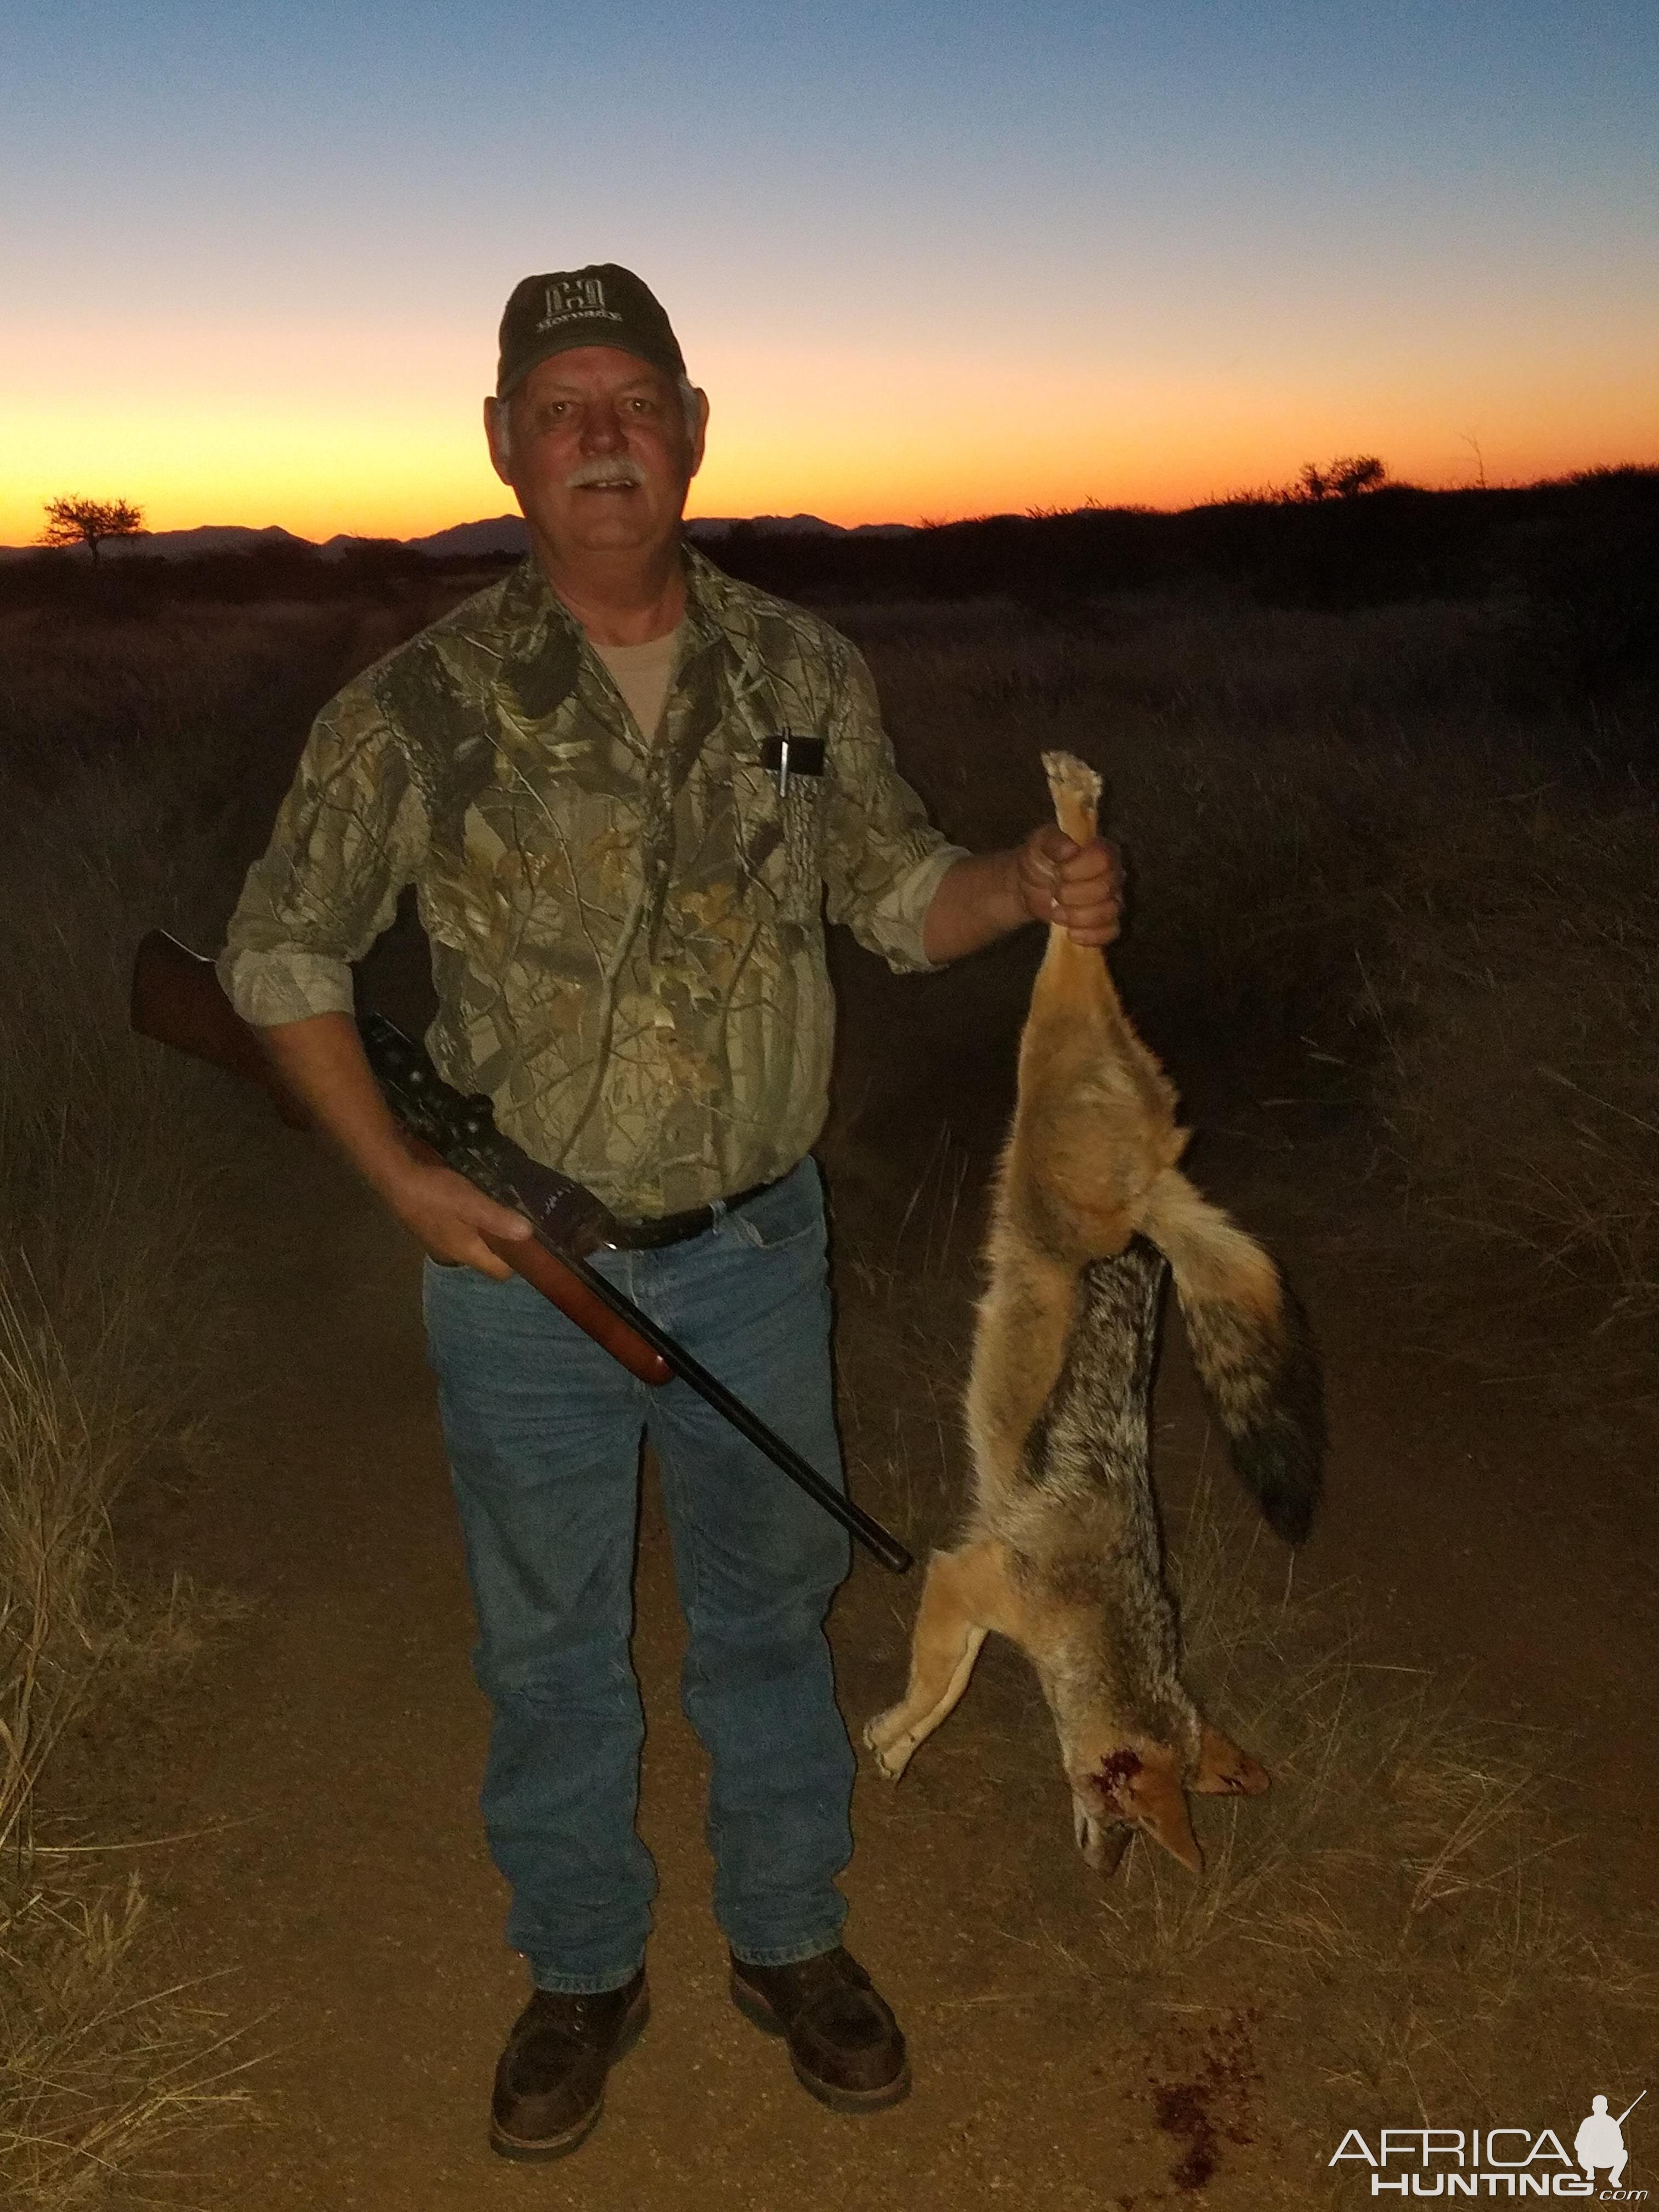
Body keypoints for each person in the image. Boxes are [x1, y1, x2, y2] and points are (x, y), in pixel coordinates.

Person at [219, 263, 1120, 2162]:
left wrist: (1020, 886)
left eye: (636, 399)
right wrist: (403, 1183)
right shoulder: (418, 703)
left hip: (758, 1252)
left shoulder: (799, 670)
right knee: (548, 1644)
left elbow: (892, 895)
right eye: (562, 407)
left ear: (694, 431)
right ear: (504, 449)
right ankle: (579, 1967)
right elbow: (277, 951)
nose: (603, 435)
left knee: (767, 1619)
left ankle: (791, 1939)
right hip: (518, 1277)